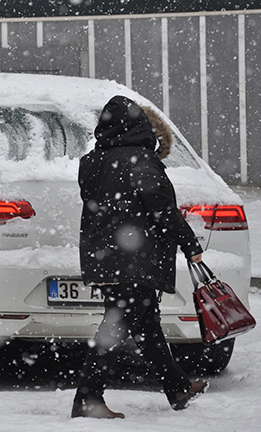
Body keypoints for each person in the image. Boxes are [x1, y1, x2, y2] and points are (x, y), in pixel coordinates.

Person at [71, 95, 207, 418]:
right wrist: (191, 245)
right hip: (134, 259)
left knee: (145, 325)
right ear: (140, 126)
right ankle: (87, 399)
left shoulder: (91, 162)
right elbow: (163, 210)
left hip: (104, 256)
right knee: (117, 325)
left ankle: (177, 387)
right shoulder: (141, 161)